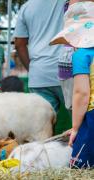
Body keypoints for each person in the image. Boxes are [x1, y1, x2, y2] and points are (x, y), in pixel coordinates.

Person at [50, 0, 94, 168]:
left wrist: (75, 128)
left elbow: (81, 94)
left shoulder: (81, 56)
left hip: (92, 115)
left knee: (80, 164)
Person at [13, 0, 66, 113]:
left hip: (39, 74)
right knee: (81, 125)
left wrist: (32, 69)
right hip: (67, 70)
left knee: (41, 128)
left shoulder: (26, 7)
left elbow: (19, 44)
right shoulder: (69, 1)